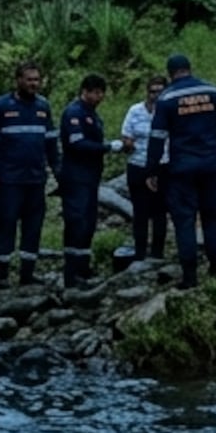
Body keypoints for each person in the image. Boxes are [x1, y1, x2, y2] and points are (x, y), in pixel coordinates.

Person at [145, 54, 216, 290]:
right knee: (210, 217)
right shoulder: (213, 91)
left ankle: (190, 278)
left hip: (182, 169)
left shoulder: (167, 98)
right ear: (189, 69)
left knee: (184, 220)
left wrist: (152, 170)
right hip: (211, 164)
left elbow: (157, 138)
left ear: (170, 74)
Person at [0, 61, 61, 287]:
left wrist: (58, 172)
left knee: (33, 227)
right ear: (18, 80)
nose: (34, 84)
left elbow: (51, 144)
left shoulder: (43, 107)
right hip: (9, 180)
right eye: (29, 79)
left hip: (35, 180)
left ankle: (27, 275)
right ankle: (1, 276)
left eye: (37, 79)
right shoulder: (1, 106)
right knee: (6, 224)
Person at [58, 74, 129, 288]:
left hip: (90, 178)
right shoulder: (74, 113)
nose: (100, 97)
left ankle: (84, 267)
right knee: (76, 222)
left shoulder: (92, 115)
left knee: (88, 223)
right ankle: (72, 272)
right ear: (85, 91)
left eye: (102, 93)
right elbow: (78, 144)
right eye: (96, 92)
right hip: (75, 177)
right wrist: (109, 147)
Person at [120, 75, 169, 265]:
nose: (155, 95)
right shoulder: (135, 111)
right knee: (139, 211)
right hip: (138, 165)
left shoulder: (169, 111)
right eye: (152, 91)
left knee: (159, 211)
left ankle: (157, 253)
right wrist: (128, 143)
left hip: (162, 165)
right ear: (147, 92)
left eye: (160, 91)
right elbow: (126, 135)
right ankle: (140, 252)